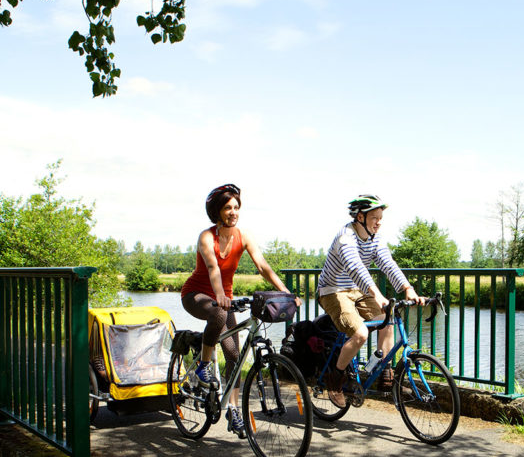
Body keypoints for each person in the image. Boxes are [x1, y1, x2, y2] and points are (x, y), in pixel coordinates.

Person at [181, 183, 301, 436]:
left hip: (223, 299)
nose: (233, 212)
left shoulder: (243, 236)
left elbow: (263, 266)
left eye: (236, 207)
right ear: (217, 211)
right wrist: (221, 295)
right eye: (227, 208)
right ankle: (203, 364)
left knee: (234, 356)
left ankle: (233, 409)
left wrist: (286, 292)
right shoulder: (206, 236)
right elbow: (213, 268)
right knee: (219, 313)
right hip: (197, 295)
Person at [317, 194, 425, 408]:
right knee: (360, 333)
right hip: (332, 291)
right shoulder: (345, 237)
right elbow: (356, 268)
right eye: (374, 217)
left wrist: (408, 289)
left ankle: (385, 375)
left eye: (380, 217)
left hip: (358, 290)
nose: (379, 222)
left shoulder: (375, 238)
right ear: (360, 217)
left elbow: (388, 264)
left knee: (388, 320)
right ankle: (335, 380)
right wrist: (377, 294)